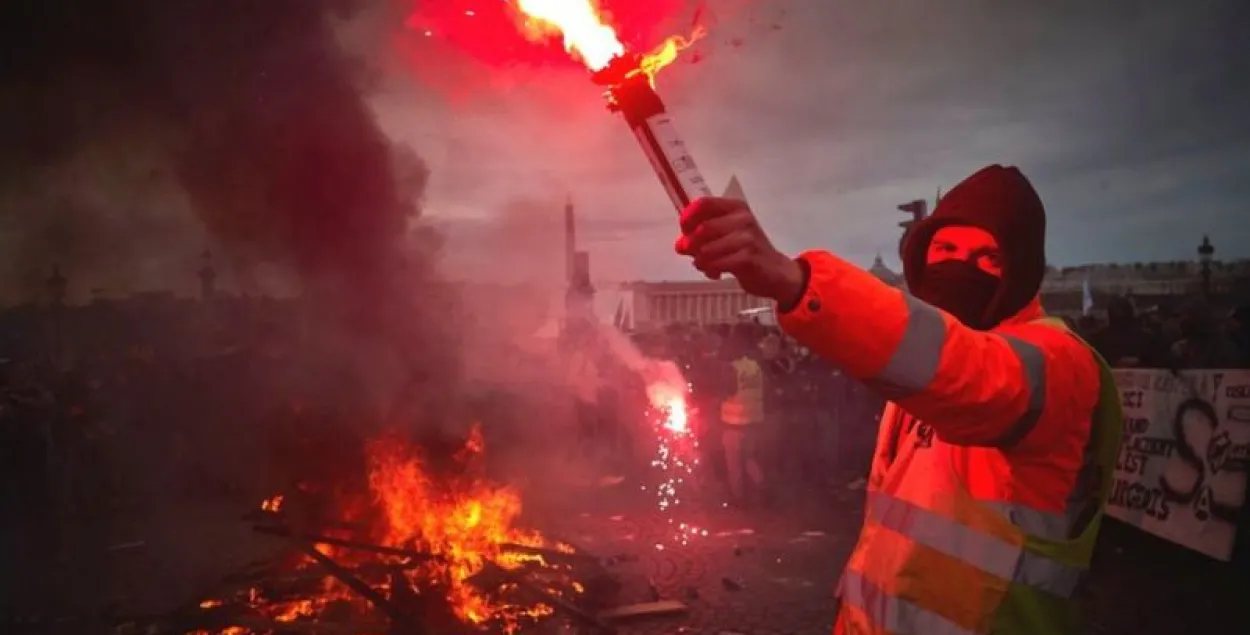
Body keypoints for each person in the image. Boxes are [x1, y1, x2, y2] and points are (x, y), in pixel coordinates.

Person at [675, 164, 1123, 634]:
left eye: (988, 257)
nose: (959, 267)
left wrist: (796, 283)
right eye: (945, 248)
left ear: (1022, 272)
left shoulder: (1060, 363)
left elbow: (970, 371)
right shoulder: (914, 381)